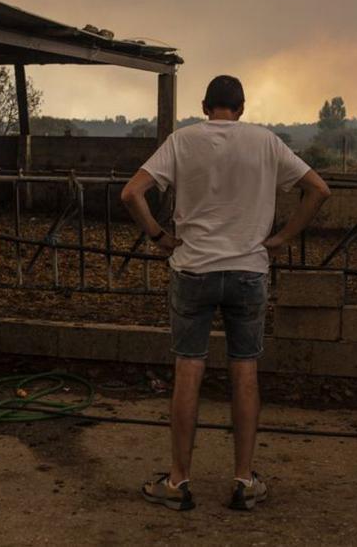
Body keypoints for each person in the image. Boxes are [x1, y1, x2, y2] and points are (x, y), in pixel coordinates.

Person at [121, 75, 331, 511]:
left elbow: (131, 193)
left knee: (188, 369)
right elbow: (318, 190)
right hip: (248, 272)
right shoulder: (266, 142)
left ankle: (178, 482)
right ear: (242, 108)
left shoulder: (183, 141)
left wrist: (159, 236)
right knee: (245, 370)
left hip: (193, 270)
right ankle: (244, 481)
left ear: (204, 105)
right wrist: (284, 237)